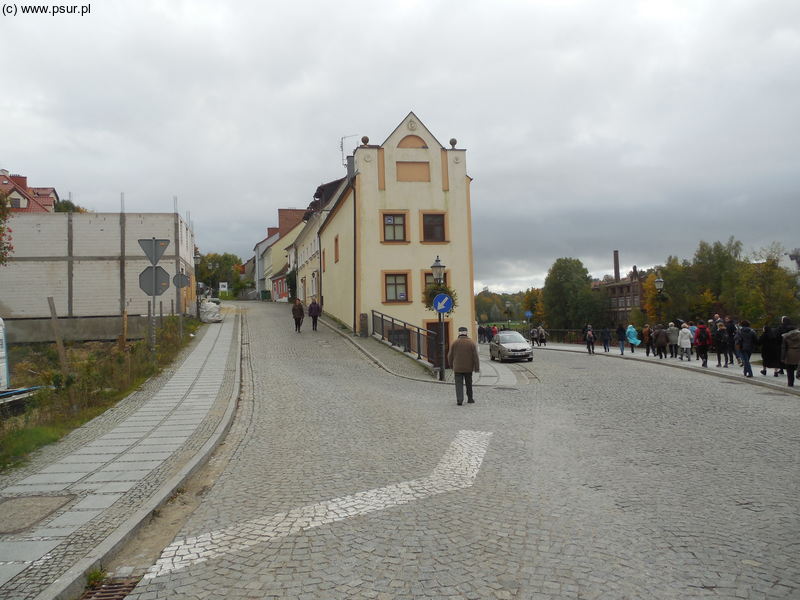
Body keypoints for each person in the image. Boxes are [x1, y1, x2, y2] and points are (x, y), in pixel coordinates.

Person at [448, 326, 480, 405]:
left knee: (458, 384)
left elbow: (449, 356)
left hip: (458, 368)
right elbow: (475, 357)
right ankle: (470, 399)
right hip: (468, 368)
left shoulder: (454, 343)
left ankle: (459, 400)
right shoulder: (471, 343)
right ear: (466, 333)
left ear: (459, 333)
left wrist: (451, 365)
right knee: (469, 383)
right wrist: (477, 368)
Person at [780, 318, 800, 387]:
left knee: (790, 370)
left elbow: (783, 348)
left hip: (789, 353)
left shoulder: (785, 337)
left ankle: (790, 383)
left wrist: (782, 357)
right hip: (798, 353)